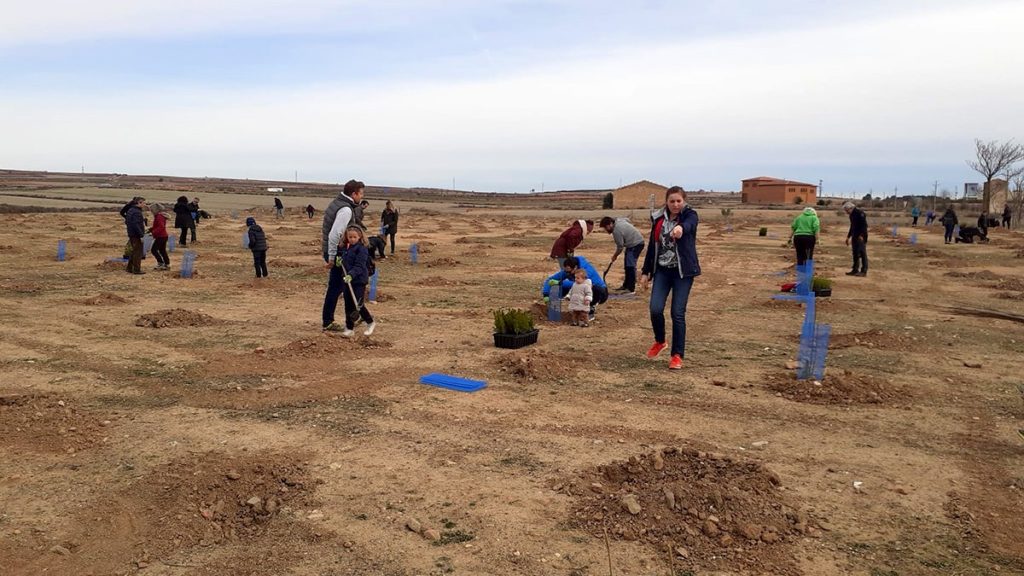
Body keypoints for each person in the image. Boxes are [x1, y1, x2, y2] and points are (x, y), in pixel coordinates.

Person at [639, 186, 700, 370]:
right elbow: (652, 246)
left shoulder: (690, 215)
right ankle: (660, 341)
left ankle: (677, 355)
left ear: (684, 201)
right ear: (666, 201)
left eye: (678, 201)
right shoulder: (658, 219)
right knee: (655, 309)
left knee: (677, 313)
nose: (675, 204)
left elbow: (689, 225)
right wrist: (645, 272)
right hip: (663, 271)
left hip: (683, 273)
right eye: (672, 201)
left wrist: (680, 228)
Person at [322, 180, 365, 330]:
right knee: (337, 287)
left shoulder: (338, 202)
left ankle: (353, 316)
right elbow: (335, 234)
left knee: (340, 285)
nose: (361, 197)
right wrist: (333, 257)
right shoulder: (345, 210)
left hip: (337, 252)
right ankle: (328, 322)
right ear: (354, 194)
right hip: (339, 254)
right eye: (361, 194)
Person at [541, 255, 608, 321]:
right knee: (555, 286)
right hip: (580, 290)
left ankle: (590, 310)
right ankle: (554, 312)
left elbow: (580, 284)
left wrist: (560, 283)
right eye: (566, 271)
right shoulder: (568, 271)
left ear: (575, 267)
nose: (567, 273)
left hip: (600, 293)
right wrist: (546, 294)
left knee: (589, 288)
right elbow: (549, 280)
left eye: (569, 271)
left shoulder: (586, 271)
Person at [336, 226, 376, 337]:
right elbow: (343, 262)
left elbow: (359, 266)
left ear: (360, 237)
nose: (352, 239)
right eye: (350, 237)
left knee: (358, 304)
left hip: (358, 280)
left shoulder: (362, 249)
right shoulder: (345, 248)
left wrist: (351, 275)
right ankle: (349, 328)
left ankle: (370, 322)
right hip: (347, 280)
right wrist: (339, 262)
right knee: (348, 304)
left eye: (354, 237)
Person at [599, 216, 645, 293]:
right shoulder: (619, 220)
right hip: (632, 244)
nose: (606, 230)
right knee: (627, 265)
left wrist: (615, 256)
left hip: (636, 244)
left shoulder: (616, 231)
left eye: (606, 227)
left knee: (630, 266)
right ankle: (626, 285)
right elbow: (627, 220)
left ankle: (630, 288)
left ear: (610, 224)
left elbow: (620, 246)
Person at [843, 202, 868, 277]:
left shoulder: (860, 213)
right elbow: (852, 226)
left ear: (851, 208)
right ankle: (855, 269)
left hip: (861, 236)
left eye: (847, 210)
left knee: (862, 253)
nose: (846, 212)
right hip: (854, 235)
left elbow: (864, 226)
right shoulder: (851, 215)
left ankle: (864, 271)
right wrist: (848, 236)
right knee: (855, 253)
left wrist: (861, 235)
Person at [124, 197, 147, 275]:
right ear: (139, 203)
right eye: (143, 203)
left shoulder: (131, 210)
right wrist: (141, 235)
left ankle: (129, 268)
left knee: (134, 251)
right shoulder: (137, 212)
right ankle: (136, 270)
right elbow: (136, 224)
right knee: (138, 252)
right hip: (136, 235)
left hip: (131, 233)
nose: (145, 204)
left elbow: (127, 221)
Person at [149, 203, 170, 271]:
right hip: (163, 236)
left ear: (155, 210)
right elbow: (158, 226)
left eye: (151, 210)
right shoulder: (159, 216)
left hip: (161, 236)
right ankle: (167, 264)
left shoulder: (159, 217)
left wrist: (153, 233)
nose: (151, 211)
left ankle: (160, 263)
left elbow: (161, 227)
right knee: (162, 251)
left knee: (153, 250)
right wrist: (151, 229)